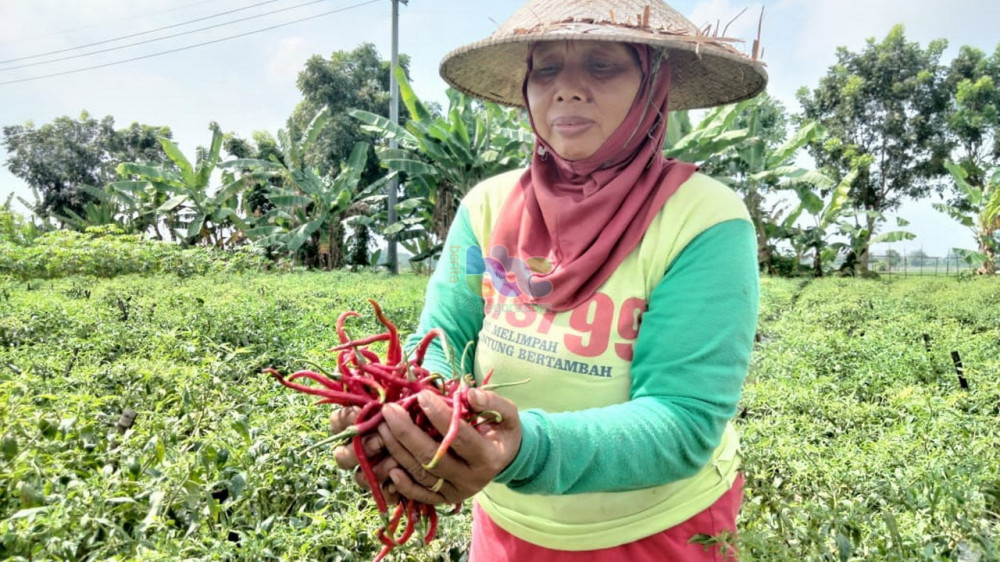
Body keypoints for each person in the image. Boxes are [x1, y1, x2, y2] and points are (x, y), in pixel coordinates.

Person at [332, 0, 767, 559]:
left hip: (656, 532)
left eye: (602, 65)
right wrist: (411, 413)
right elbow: (442, 338)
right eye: (546, 69)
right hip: (508, 522)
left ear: (652, 84)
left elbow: (682, 420)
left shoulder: (702, 220)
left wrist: (524, 451)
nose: (567, 89)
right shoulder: (487, 210)